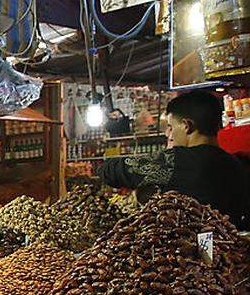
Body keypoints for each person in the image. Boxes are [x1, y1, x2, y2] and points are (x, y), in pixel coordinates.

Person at [100, 90, 250, 229]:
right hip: (229, 250)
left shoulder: (176, 161)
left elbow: (112, 170)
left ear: (186, 126)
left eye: (171, 126)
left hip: (187, 252)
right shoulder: (236, 163)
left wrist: (104, 167)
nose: (168, 133)